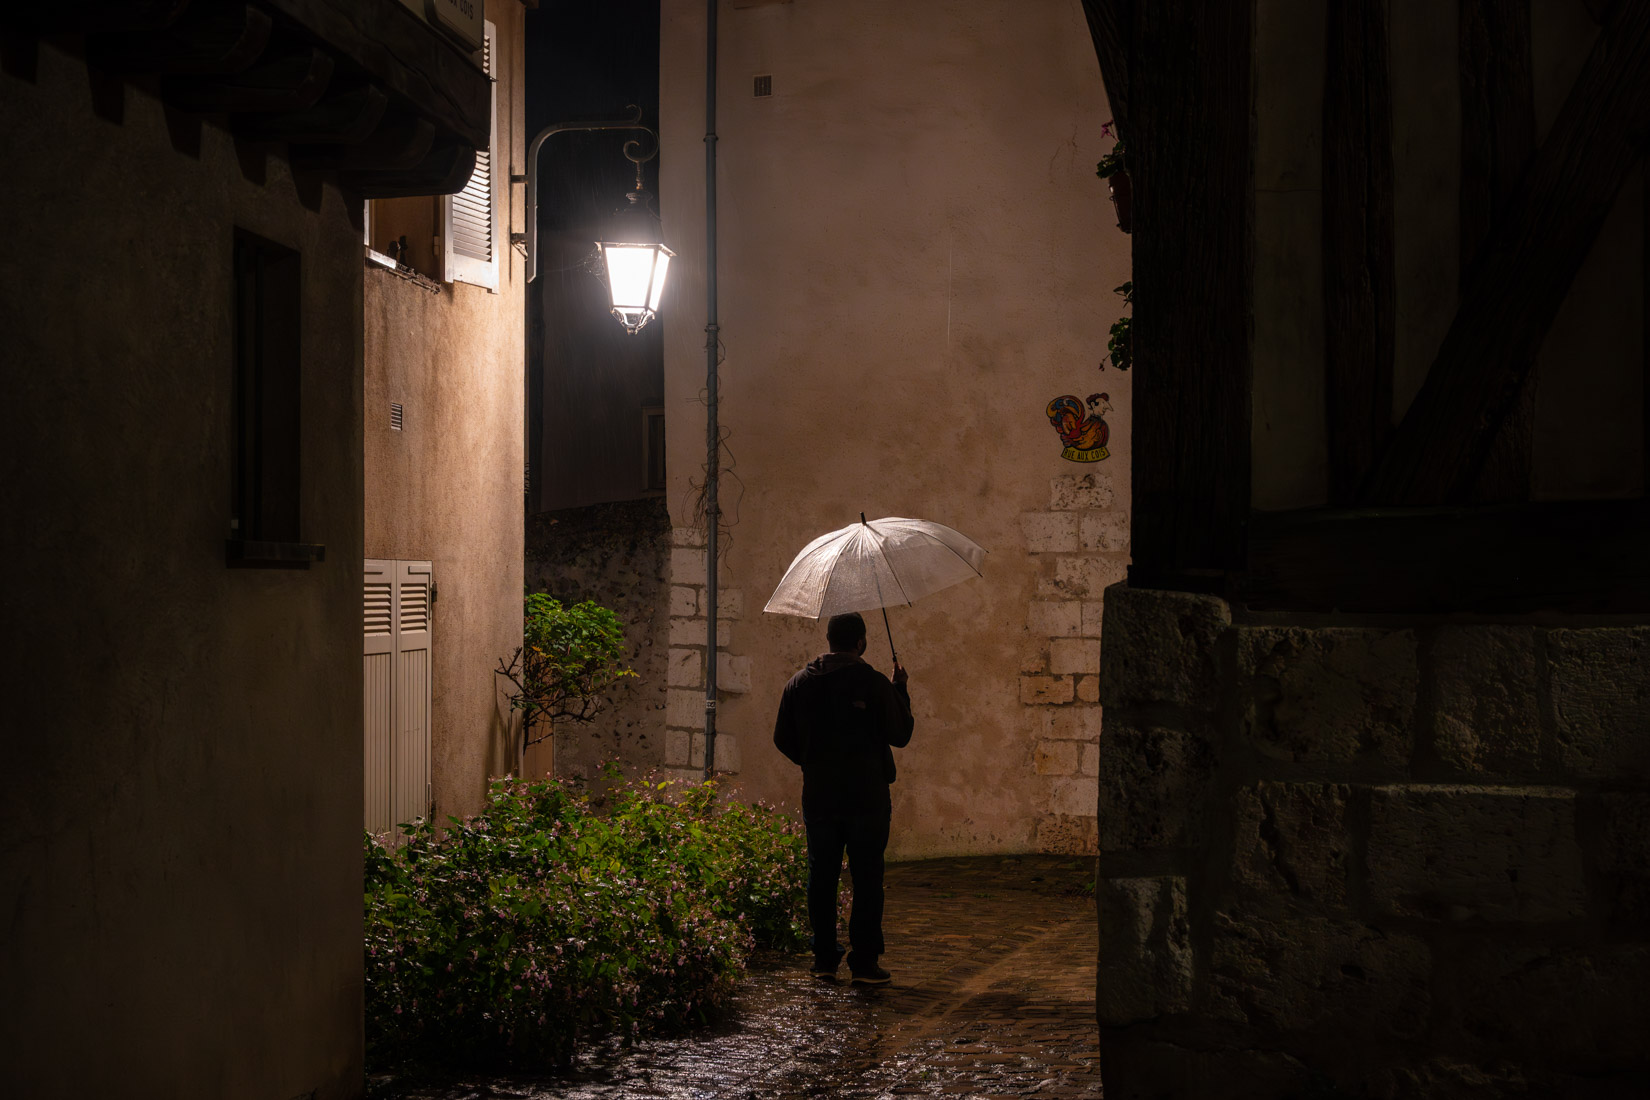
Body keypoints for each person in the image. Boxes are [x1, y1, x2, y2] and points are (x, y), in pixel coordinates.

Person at [773, 611, 913, 984]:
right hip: (867, 798)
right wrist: (901, 689)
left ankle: (823, 960)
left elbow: (782, 739)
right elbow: (901, 734)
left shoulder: (798, 685)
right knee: (868, 877)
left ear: (830, 640)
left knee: (822, 876)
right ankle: (864, 963)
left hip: (820, 796)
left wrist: (813, 763)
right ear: (861, 643)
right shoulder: (874, 683)